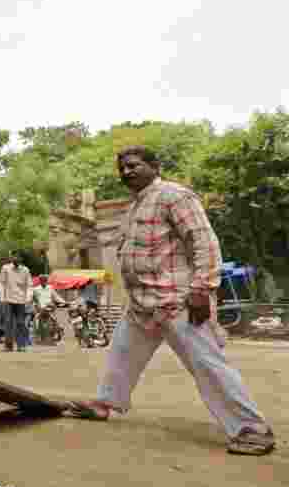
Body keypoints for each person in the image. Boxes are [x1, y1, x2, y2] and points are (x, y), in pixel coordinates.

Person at [70, 146, 276, 456]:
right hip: (142, 304)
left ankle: (252, 429)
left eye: (133, 165)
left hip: (176, 301)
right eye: (122, 167)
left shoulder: (174, 196)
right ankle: (105, 403)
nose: (126, 171)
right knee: (122, 355)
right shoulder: (135, 206)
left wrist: (201, 289)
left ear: (154, 166)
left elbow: (204, 242)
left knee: (207, 364)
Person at [0, 254, 32, 352]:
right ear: (11, 259)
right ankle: (8, 345)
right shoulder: (5, 268)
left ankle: (21, 345)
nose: (16, 259)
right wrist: (2, 297)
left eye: (18, 257)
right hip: (8, 299)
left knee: (21, 323)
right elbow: (2, 283)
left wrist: (28, 298)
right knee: (8, 322)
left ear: (21, 259)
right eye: (14, 257)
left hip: (21, 300)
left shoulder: (25, 270)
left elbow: (29, 285)